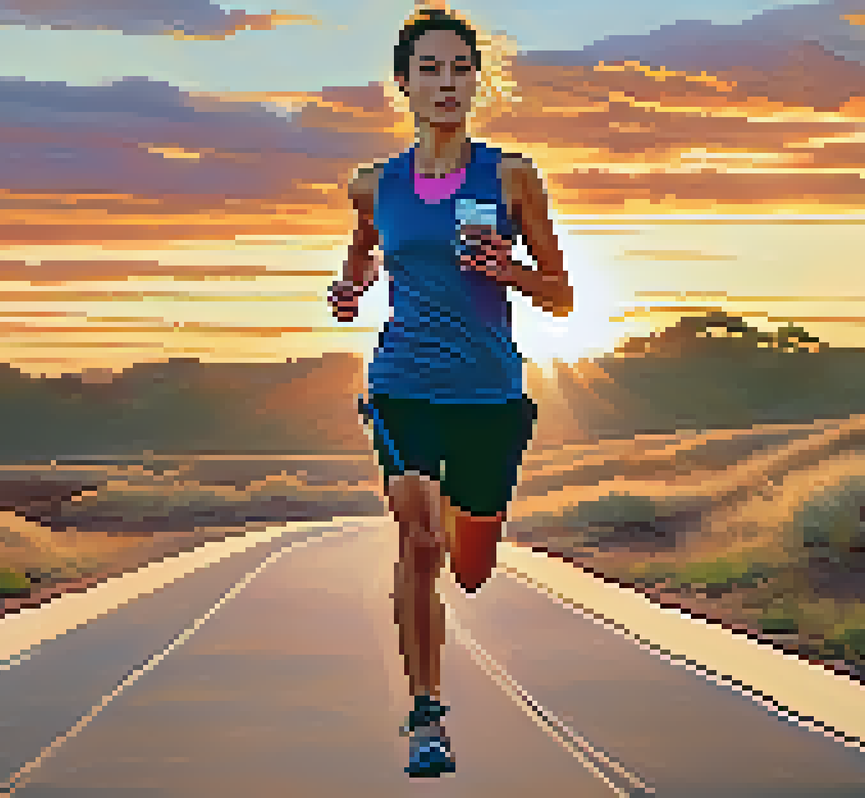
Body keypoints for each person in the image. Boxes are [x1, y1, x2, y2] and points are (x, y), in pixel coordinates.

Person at [327, 5, 573, 778]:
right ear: (402, 83)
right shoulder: (373, 185)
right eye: (429, 69)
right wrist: (350, 289)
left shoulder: (513, 176)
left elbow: (562, 296)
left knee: (470, 564)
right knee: (420, 541)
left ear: (477, 83)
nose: (446, 83)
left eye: (460, 69)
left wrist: (511, 270)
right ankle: (426, 715)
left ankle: (473, 528)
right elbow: (363, 256)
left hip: (489, 395)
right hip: (402, 384)